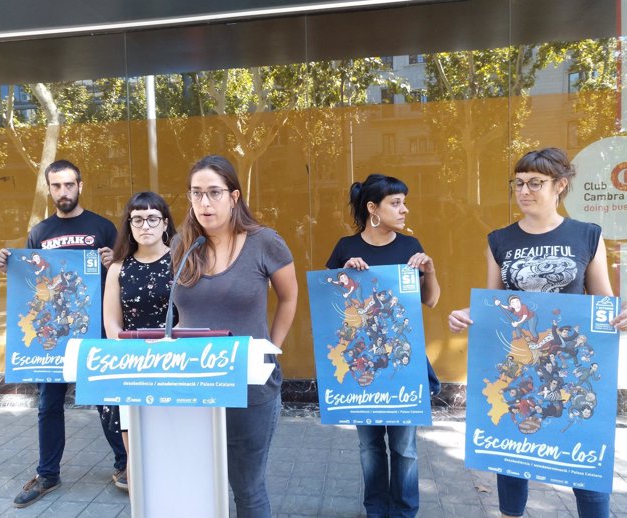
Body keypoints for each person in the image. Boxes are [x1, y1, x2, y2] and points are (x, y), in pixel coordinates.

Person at [448, 147, 627, 518]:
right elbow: (495, 304)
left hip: (567, 360)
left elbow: (603, 302)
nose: (524, 191)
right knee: (514, 453)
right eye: (518, 184)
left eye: (535, 183)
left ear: (560, 185)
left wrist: (622, 316)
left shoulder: (586, 235)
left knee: (585, 460)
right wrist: (468, 314)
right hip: (521, 359)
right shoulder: (499, 240)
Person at [0, 159, 128, 507]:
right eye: (57, 186)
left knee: (106, 400)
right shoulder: (39, 232)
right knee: (48, 404)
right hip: (52, 336)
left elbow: (123, 273)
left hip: (92, 330)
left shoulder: (102, 226)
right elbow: (33, 282)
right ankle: (48, 473)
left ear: (80, 185)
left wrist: (115, 260)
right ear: (49, 189)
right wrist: (7, 265)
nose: (63, 191)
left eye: (69, 185)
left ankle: (125, 465)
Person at [171, 155, 298, 518]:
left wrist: (270, 348)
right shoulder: (183, 243)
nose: (204, 203)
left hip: (249, 385)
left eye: (214, 193)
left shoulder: (265, 242)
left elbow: (289, 297)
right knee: (197, 482)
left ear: (234, 196)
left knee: (247, 487)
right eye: (196, 194)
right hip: (192, 381)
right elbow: (182, 311)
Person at [326, 173, 441, 518]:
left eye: (404, 201)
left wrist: (430, 270)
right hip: (363, 362)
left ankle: (405, 510)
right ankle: (375, 509)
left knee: (405, 446)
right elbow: (330, 308)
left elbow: (431, 301)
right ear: (373, 208)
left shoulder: (410, 245)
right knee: (369, 444)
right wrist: (342, 275)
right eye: (396, 202)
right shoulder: (346, 248)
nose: (404, 209)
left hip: (402, 362)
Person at [102, 191, 177, 491]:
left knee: (171, 441)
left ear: (165, 223)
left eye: (152, 218)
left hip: (172, 360)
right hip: (131, 363)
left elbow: (190, 313)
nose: (145, 225)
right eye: (137, 219)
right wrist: (128, 353)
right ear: (129, 224)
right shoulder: (118, 268)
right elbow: (111, 321)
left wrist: (165, 347)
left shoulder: (181, 261)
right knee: (135, 449)